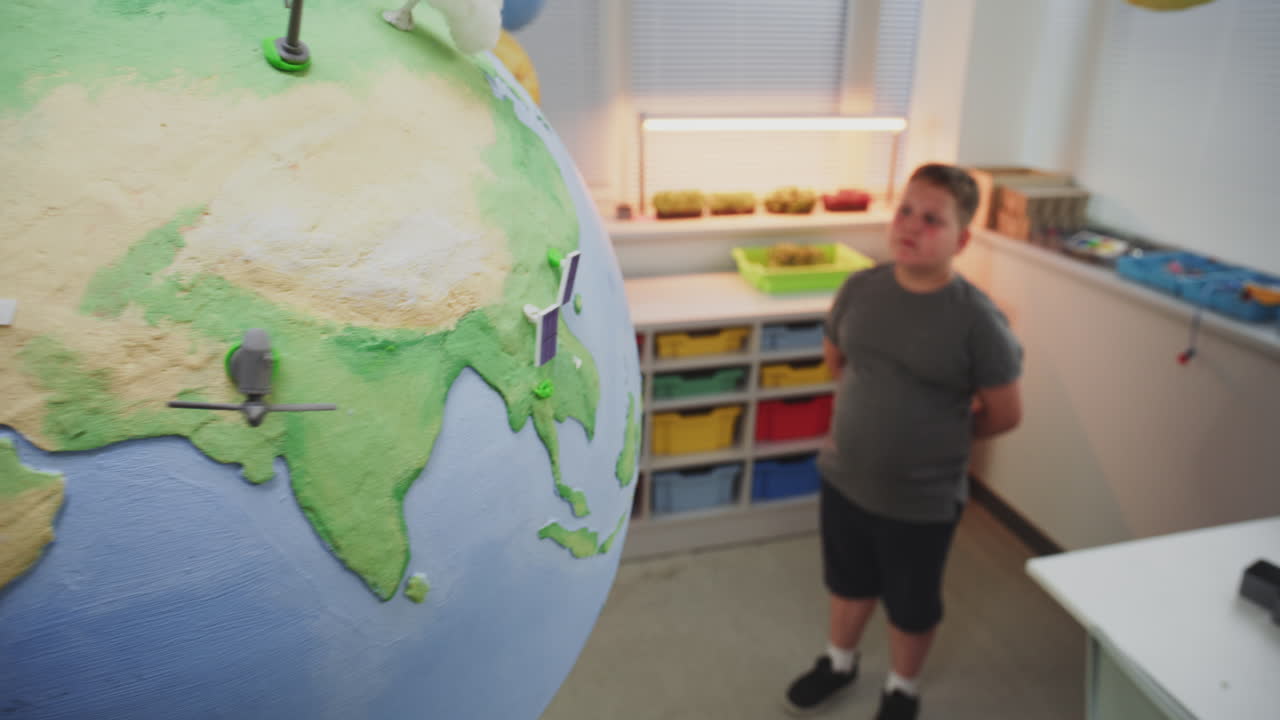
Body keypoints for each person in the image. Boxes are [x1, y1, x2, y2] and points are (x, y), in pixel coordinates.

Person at [784, 163, 1024, 720]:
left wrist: (936, 441)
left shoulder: (977, 321)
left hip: (921, 500)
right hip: (845, 478)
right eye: (906, 211)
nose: (911, 227)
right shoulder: (861, 289)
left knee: (912, 605)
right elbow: (836, 362)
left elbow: (1005, 413)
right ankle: (838, 663)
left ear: (961, 239)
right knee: (847, 582)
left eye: (932, 220)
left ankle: (902, 689)